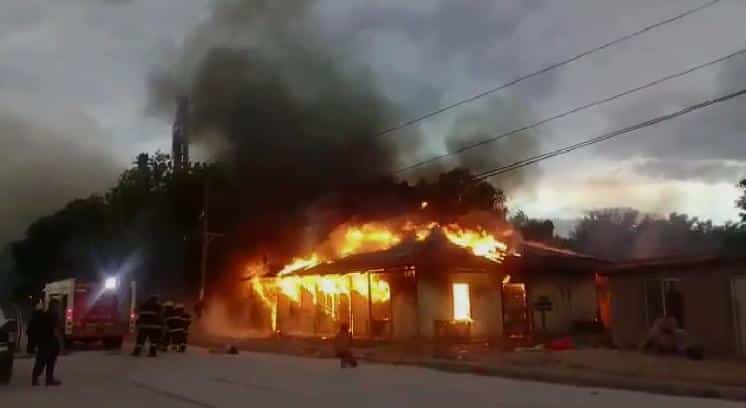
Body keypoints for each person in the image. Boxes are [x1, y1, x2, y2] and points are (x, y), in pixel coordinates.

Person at [31, 299, 62, 386]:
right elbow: (54, 330)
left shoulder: (51, 315)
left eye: (58, 307)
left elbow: (57, 330)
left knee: (50, 361)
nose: (58, 308)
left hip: (51, 342)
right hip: (46, 342)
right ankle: (36, 379)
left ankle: (49, 379)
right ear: (52, 306)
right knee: (42, 361)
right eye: (56, 306)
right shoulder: (48, 316)